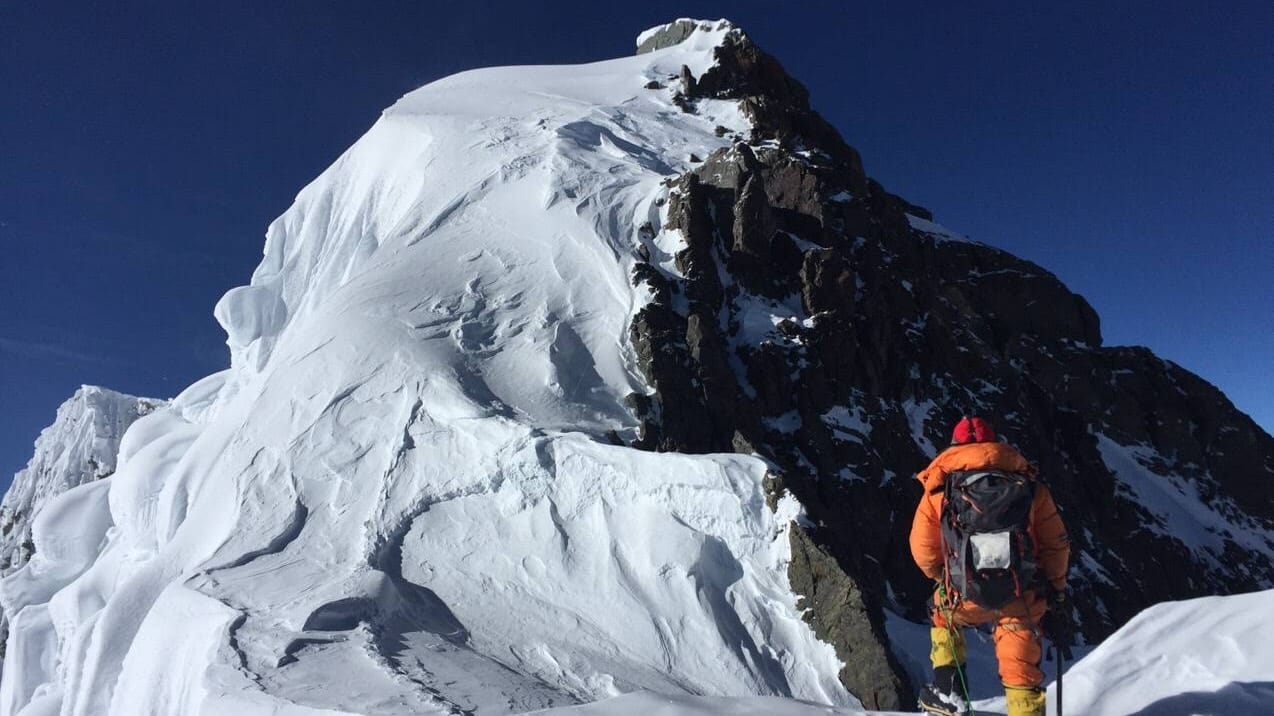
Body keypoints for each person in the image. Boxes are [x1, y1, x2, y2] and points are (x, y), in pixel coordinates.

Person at [910, 416, 1069, 716]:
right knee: (1018, 663)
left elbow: (923, 550)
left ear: (955, 446)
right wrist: (1057, 589)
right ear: (994, 443)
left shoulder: (940, 490)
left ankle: (949, 691)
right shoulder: (1030, 487)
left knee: (942, 616)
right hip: (1020, 593)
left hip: (963, 594)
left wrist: (944, 577)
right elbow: (1056, 545)